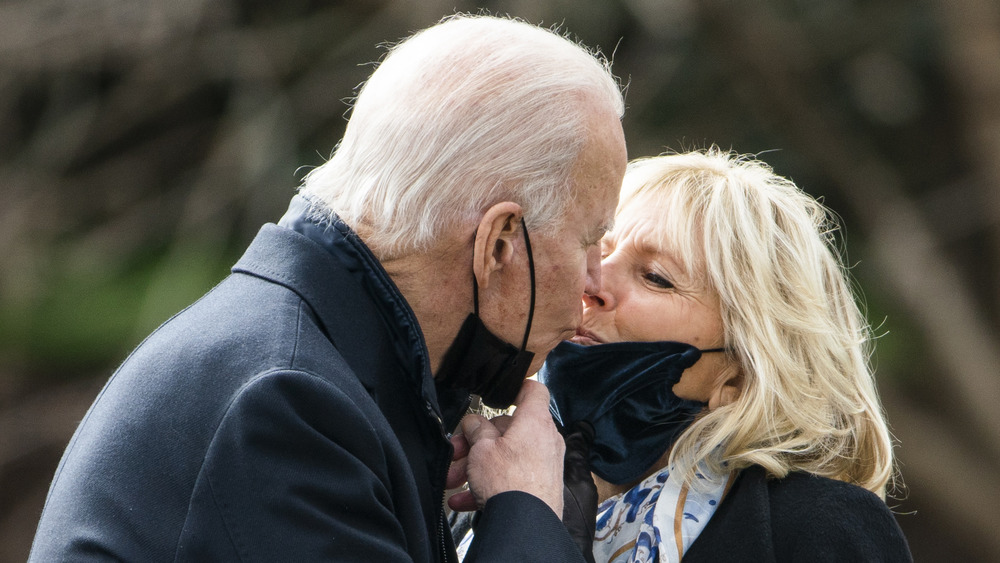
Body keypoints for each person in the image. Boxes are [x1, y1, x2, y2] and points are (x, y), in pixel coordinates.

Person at [29, 14, 626, 562]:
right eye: (590, 240)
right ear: (498, 243)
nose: (595, 283)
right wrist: (528, 512)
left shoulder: (309, 369)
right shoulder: (287, 405)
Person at [539, 149, 912, 562]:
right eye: (595, 253)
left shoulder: (815, 529)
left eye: (656, 277)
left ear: (738, 377)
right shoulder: (480, 502)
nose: (592, 283)